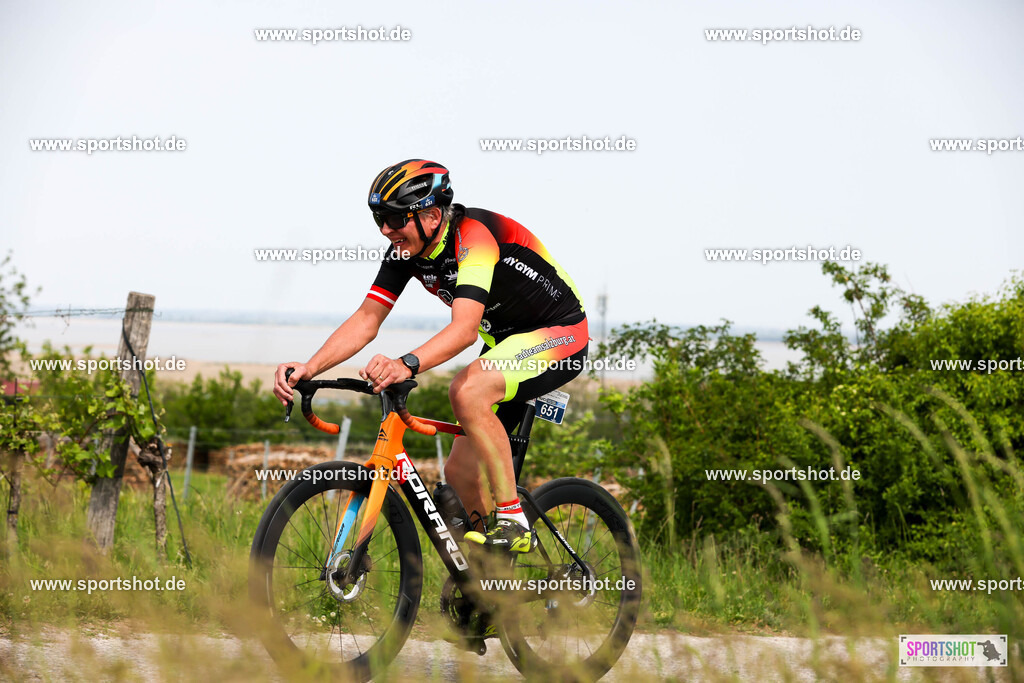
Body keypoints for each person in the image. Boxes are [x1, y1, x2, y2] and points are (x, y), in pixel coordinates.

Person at [273, 159, 588, 554]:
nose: (386, 231)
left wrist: (404, 363)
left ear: (432, 215)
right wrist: (310, 366)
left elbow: (464, 330)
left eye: (393, 219)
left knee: (467, 391)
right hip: (505, 344)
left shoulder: (474, 238)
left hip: (560, 334)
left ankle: (514, 521)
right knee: (458, 474)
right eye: (379, 221)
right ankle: (490, 585)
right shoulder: (405, 251)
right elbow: (368, 319)